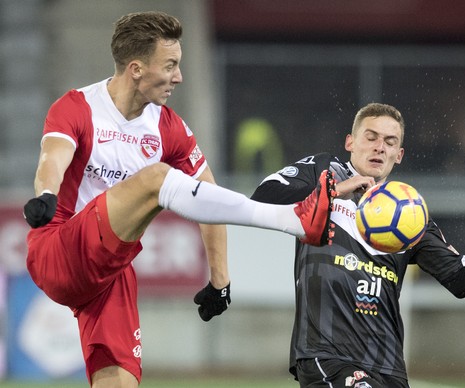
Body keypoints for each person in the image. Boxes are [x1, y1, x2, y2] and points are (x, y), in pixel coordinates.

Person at [23, 11, 335, 388]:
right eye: (170, 65)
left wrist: (220, 280)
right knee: (155, 179)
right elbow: (52, 158)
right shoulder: (77, 107)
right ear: (136, 68)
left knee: (119, 381)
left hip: (109, 272)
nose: (179, 77)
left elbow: (209, 197)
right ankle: (292, 219)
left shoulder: (169, 128)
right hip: (59, 248)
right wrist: (46, 194)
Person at [250, 102, 465, 388]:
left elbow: (462, 280)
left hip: (388, 368)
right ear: (350, 142)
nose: (379, 148)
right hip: (327, 356)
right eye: (371, 137)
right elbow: (262, 199)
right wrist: (333, 191)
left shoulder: (409, 214)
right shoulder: (322, 171)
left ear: (399, 154)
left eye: (390, 142)